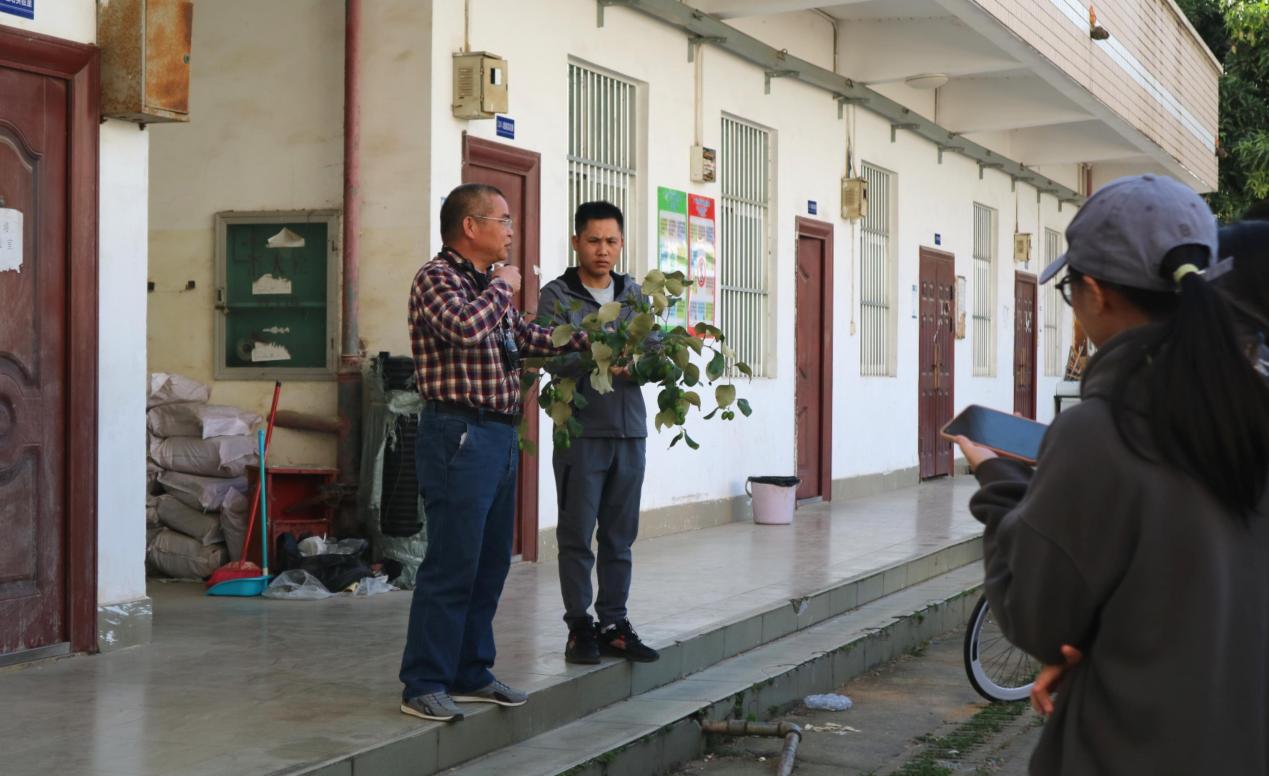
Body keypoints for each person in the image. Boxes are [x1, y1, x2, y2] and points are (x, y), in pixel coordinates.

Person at [955, 174, 1269, 775]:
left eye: (1069, 289)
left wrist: (998, 484)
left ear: (1095, 294)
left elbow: (1039, 619)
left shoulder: (1100, 433)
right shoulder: (1249, 411)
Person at [400, 183, 587, 723]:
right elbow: (464, 329)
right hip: (458, 433)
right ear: (470, 226)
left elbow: (527, 339)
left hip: (499, 436)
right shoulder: (437, 279)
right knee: (452, 562)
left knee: (489, 563)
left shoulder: (486, 286)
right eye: (502, 220)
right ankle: (423, 682)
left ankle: (471, 671)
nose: (510, 230)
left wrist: (596, 339)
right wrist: (503, 287)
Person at [537, 201, 659, 665]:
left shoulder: (634, 295)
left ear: (621, 243)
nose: (602, 250)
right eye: (593, 241)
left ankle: (613, 623)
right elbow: (550, 357)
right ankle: (579, 626)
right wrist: (599, 356)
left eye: (611, 241)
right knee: (576, 534)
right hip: (581, 434)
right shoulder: (558, 295)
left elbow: (655, 354)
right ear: (576, 242)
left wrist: (639, 365)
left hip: (629, 433)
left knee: (619, 536)